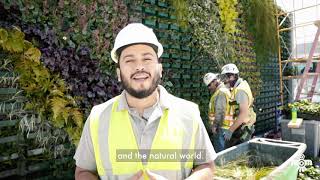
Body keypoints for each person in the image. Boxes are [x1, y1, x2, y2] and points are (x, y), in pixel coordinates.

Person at [74, 23, 216, 180]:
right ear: (119, 73)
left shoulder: (189, 114)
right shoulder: (98, 118)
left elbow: (206, 166)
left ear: (160, 69)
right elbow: (83, 172)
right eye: (129, 60)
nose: (139, 66)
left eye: (147, 58)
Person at [220, 63, 256, 147]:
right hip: (243, 124)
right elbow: (241, 102)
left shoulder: (240, 90)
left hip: (244, 127)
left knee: (238, 153)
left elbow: (243, 113)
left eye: (225, 78)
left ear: (233, 76)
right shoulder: (241, 84)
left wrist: (230, 130)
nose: (224, 81)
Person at [203, 73, 233, 152]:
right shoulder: (221, 91)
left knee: (220, 153)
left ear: (214, 81)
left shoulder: (221, 92)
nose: (209, 88)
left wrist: (214, 126)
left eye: (209, 85)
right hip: (224, 128)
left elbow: (220, 111)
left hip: (221, 128)